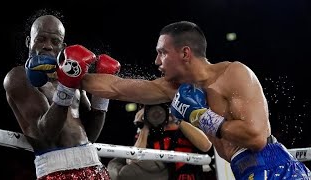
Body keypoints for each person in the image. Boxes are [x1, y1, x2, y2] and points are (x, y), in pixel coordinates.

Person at [35, 20, 311, 179]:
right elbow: (117, 88)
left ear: (185, 53)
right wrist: (64, 72)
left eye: (161, 53)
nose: (156, 61)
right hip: (244, 171)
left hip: (276, 169)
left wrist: (198, 115)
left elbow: (255, 138)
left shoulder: (234, 74)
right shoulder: (171, 88)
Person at [3, 14, 120, 179]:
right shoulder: (19, 77)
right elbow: (46, 135)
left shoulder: (70, 75)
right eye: (41, 39)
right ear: (29, 41)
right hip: (57, 171)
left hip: (94, 165)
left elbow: (89, 135)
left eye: (55, 42)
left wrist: (102, 96)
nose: (48, 46)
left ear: (63, 47)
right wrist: (68, 85)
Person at [107, 104, 212, 180]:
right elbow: (133, 161)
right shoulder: (149, 131)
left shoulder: (187, 126)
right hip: (160, 175)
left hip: (188, 176)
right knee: (117, 164)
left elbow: (206, 146)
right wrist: (145, 126)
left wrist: (178, 118)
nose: (159, 113)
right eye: (153, 109)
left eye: (164, 107)